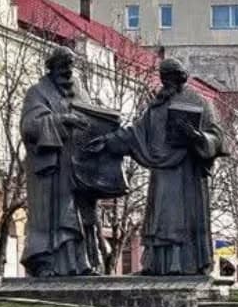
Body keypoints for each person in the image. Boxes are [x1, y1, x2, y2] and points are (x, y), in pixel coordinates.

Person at [88, 58, 223, 275]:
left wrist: (197, 137)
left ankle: (183, 265)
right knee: (160, 219)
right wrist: (108, 141)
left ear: (180, 78)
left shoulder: (199, 101)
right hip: (162, 174)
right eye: (163, 79)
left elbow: (217, 137)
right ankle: (158, 264)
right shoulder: (157, 106)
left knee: (181, 220)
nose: (165, 84)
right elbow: (136, 133)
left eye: (169, 79)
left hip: (186, 175)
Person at [21, 47, 97, 277]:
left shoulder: (80, 93)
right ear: (52, 68)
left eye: (70, 66)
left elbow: (92, 119)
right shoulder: (37, 93)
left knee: (78, 216)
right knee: (52, 217)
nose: (68, 71)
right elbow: (29, 126)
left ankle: (81, 264)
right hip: (51, 169)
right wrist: (63, 119)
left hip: (78, 166)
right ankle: (46, 263)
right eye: (63, 65)